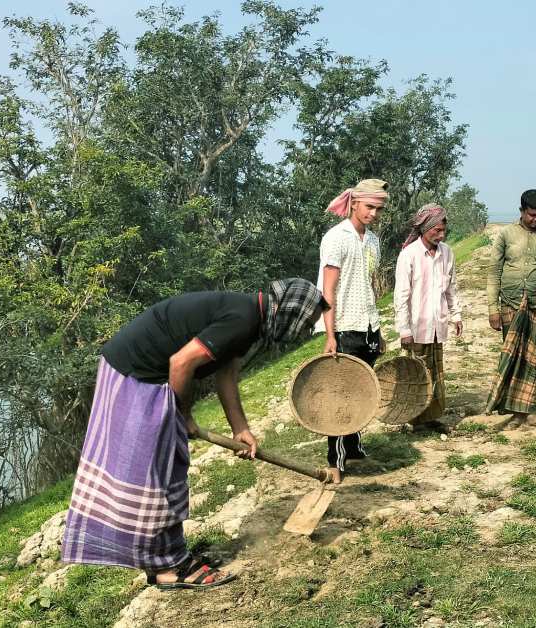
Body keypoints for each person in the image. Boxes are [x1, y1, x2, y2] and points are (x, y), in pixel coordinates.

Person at [61, 279, 327, 590]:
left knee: (164, 469)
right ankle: (170, 567)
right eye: (306, 322)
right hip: (135, 373)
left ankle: (165, 560)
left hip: (136, 369)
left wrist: (240, 429)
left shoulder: (250, 317)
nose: (306, 330)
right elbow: (181, 362)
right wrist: (182, 414)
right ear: (290, 311)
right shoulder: (244, 319)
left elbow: (226, 374)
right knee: (157, 474)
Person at [319, 178, 389, 482]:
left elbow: (370, 285)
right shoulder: (337, 238)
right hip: (344, 326)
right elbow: (328, 291)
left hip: (368, 324)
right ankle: (335, 461)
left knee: (362, 391)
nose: (373, 213)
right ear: (354, 203)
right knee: (340, 394)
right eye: (369, 207)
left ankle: (354, 446)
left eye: (379, 209)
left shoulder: (372, 241)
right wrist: (330, 335)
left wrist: (378, 329)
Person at [485, 189, 536, 428]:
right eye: (532, 215)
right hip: (510, 303)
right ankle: (506, 404)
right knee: (511, 354)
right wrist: (492, 308)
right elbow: (493, 272)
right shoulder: (506, 234)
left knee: (531, 356)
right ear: (521, 211)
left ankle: (525, 408)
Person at [393, 203, 462, 426]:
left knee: (435, 372)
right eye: (436, 230)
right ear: (424, 228)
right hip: (416, 328)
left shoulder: (447, 253)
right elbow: (401, 295)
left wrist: (456, 315)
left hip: (437, 326)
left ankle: (431, 417)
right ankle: (414, 419)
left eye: (443, 231)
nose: (441, 235)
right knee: (417, 374)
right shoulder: (409, 255)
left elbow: (451, 288)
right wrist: (404, 330)